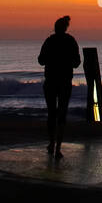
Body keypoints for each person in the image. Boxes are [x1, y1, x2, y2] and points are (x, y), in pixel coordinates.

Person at [37, 15, 81, 158]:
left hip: (51, 81)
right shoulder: (70, 41)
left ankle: (51, 143)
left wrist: (52, 59)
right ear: (66, 28)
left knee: (52, 113)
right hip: (64, 82)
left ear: (56, 28)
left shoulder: (50, 41)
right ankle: (58, 147)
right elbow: (76, 62)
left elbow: (41, 60)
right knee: (62, 114)